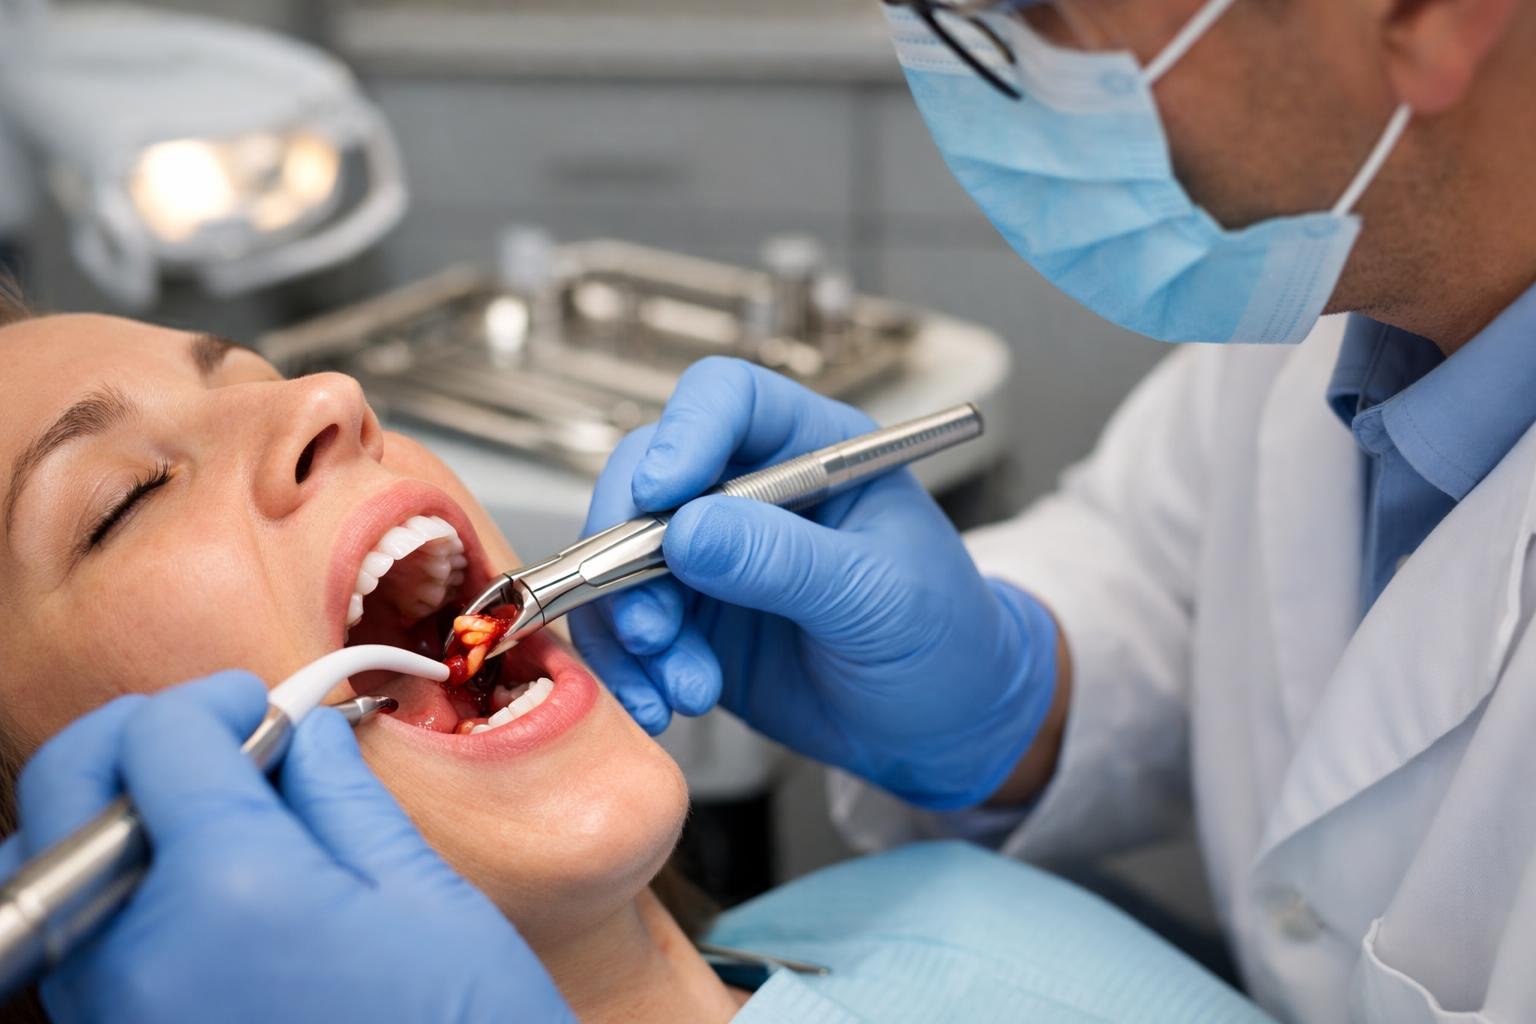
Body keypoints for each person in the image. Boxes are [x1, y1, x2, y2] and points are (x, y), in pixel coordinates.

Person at [572, 1, 1536, 1022]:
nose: (973, 61)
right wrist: (1006, 691)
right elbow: (1172, 581)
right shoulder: (1332, 294)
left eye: (1040, 8)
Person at [0, 298, 1268, 1023]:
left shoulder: (945, 903)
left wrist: (1019, 699)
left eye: (261, 372)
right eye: (122, 500)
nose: (324, 395)